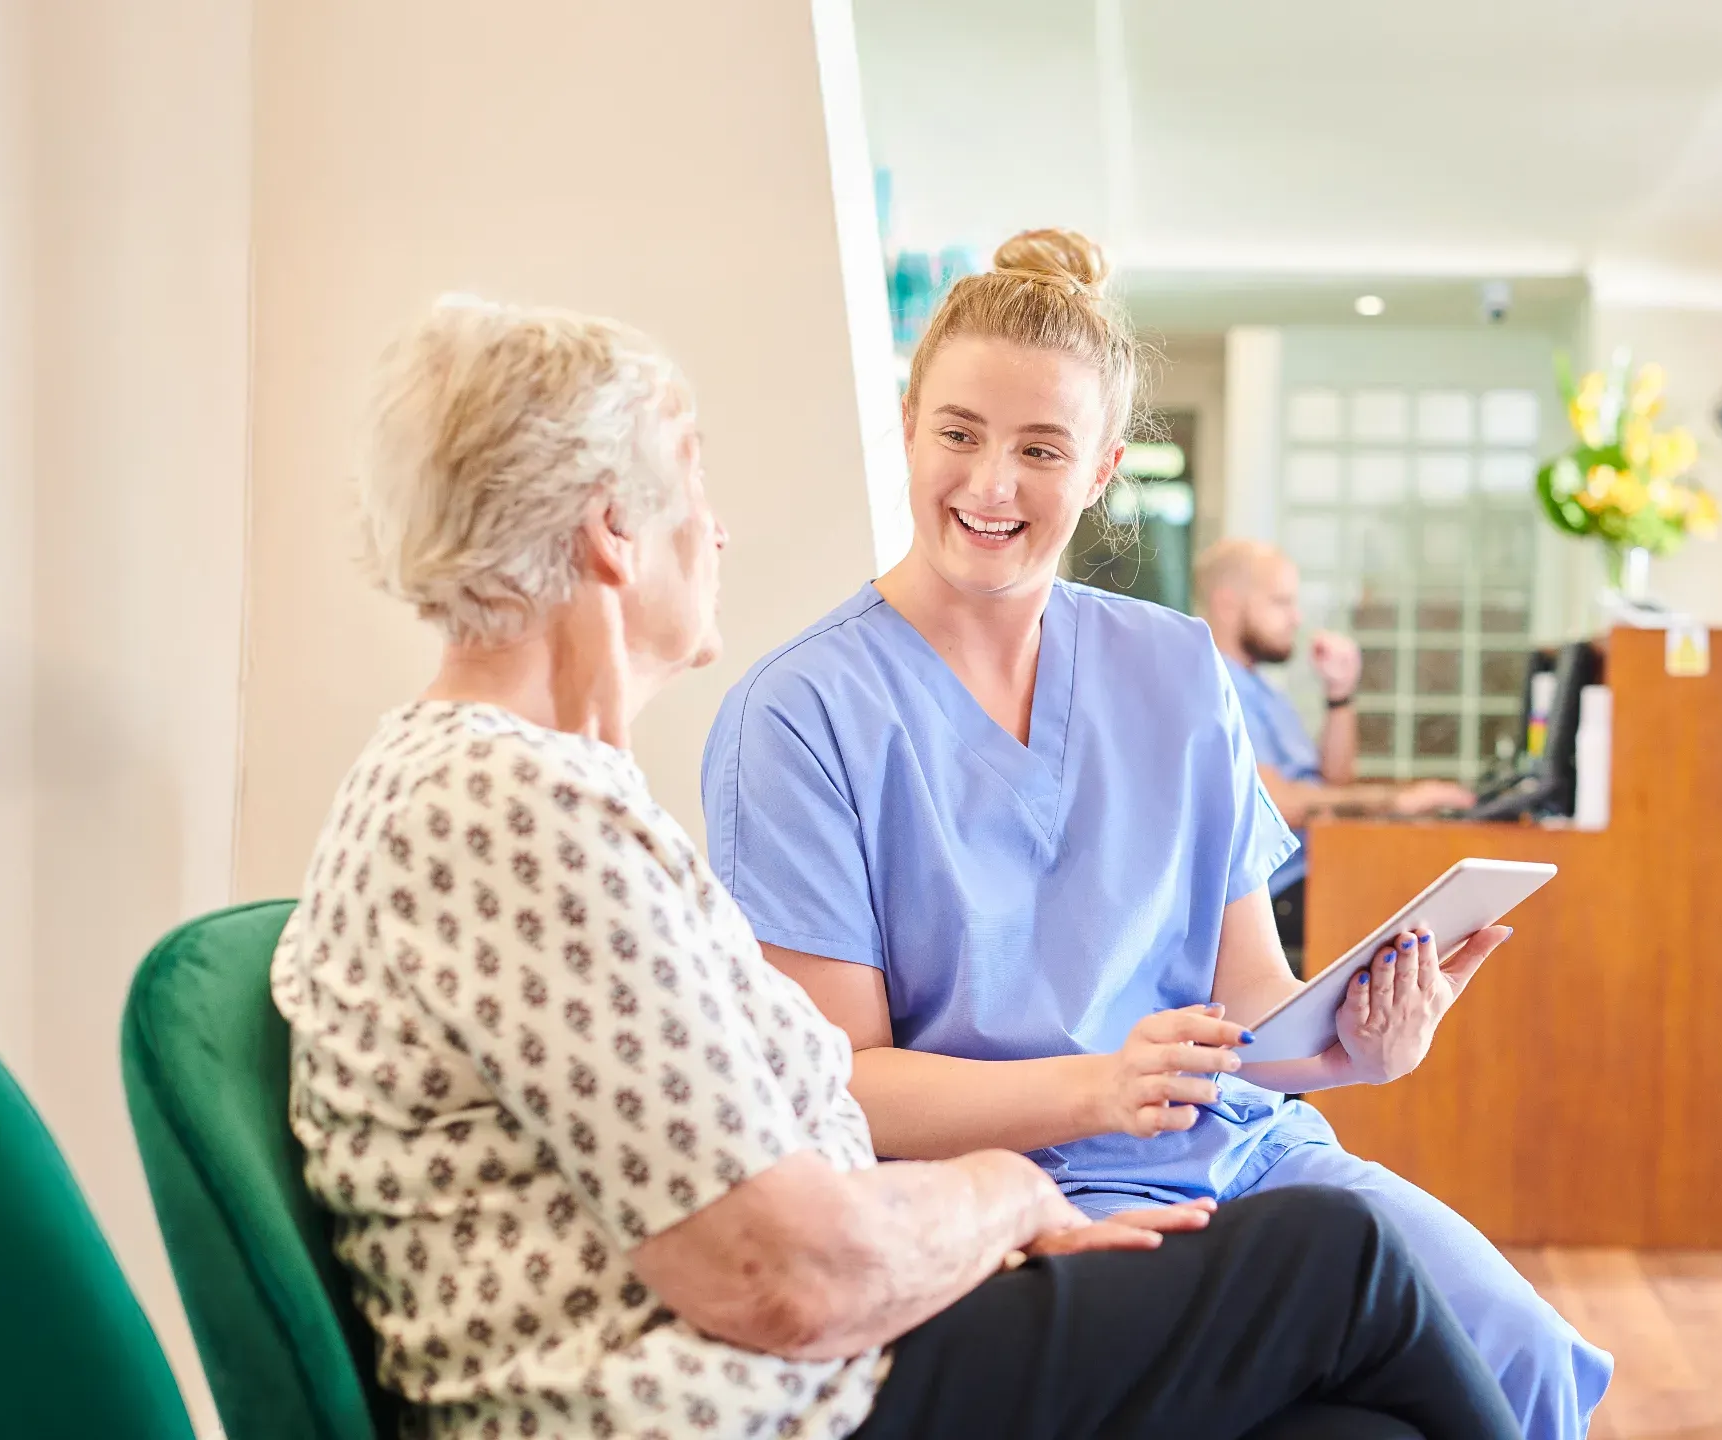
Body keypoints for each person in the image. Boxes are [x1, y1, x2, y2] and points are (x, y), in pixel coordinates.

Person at [270, 294, 1524, 1440]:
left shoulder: (541, 794)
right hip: (750, 1398)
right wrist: (1006, 1205)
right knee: (1335, 1253)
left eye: (1040, 448)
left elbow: (762, 1183)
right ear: (612, 532)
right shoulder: (512, 810)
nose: (715, 527)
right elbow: (782, 1271)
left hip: (817, 1344)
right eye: (689, 485)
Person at [703, 229, 1613, 1440]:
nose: (989, 484)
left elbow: (1243, 1009)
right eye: (960, 433)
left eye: (1039, 450)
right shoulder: (801, 712)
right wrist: (1095, 1089)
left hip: (1247, 1157)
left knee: (1524, 1355)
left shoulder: (1178, 669)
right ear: (910, 421)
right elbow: (841, 1088)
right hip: (1015, 1192)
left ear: (1099, 473)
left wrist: (1357, 1051)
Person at [1193, 538, 1475, 949]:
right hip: (1274, 900)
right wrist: (1397, 802)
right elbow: (1281, 805)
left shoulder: (1263, 689)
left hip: (1317, 872)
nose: (1297, 617)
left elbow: (1334, 781)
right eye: (1281, 603)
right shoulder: (1215, 684)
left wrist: (1340, 694)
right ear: (1227, 603)